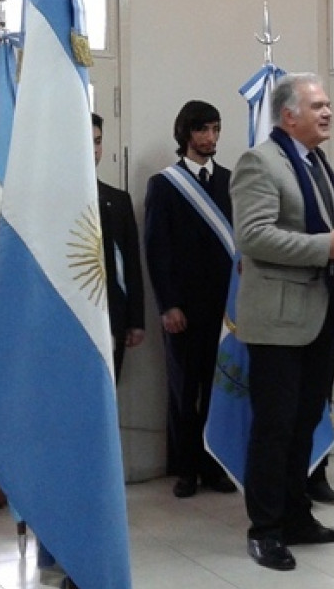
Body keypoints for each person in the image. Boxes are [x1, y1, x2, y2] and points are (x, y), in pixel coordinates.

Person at [232, 73, 334, 571]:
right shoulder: (259, 162)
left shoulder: (316, 160)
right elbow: (254, 236)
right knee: (274, 428)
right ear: (288, 115)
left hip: (319, 316)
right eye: (318, 105)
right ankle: (265, 530)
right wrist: (324, 247)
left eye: (329, 104)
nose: (328, 112)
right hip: (278, 321)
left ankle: (297, 517)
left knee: (304, 424)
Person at [143, 101, 236, 498]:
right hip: (184, 308)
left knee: (220, 389)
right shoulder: (164, 184)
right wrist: (168, 305)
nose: (210, 138)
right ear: (185, 134)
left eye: (215, 129)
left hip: (225, 310)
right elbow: (157, 249)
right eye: (202, 130)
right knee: (184, 390)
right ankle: (186, 468)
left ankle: (214, 465)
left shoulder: (231, 181)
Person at [91, 113, 144, 378]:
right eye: (86, 142)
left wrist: (136, 321)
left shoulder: (118, 200)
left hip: (113, 318)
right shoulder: (50, 202)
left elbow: (131, 264)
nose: (93, 150)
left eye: (98, 142)